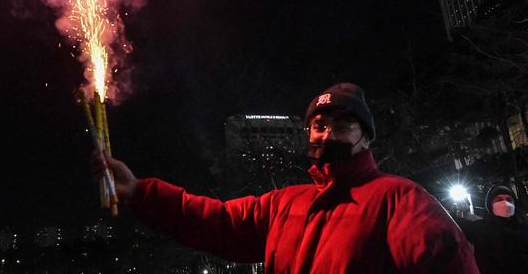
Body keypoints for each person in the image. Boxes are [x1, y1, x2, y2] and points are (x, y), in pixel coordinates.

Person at [94, 83, 479, 273]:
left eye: (342, 125)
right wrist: (141, 192)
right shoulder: (285, 203)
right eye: (318, 124)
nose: (327, 134)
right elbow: (216, 222)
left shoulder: (400, 200)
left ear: (365, 137)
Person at [457, 184, 528, 273]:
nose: (505, 203)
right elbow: (450, 223)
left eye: (509, 199)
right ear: (491, 205)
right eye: (499, 199)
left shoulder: (524, 229)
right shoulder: (479, 228)